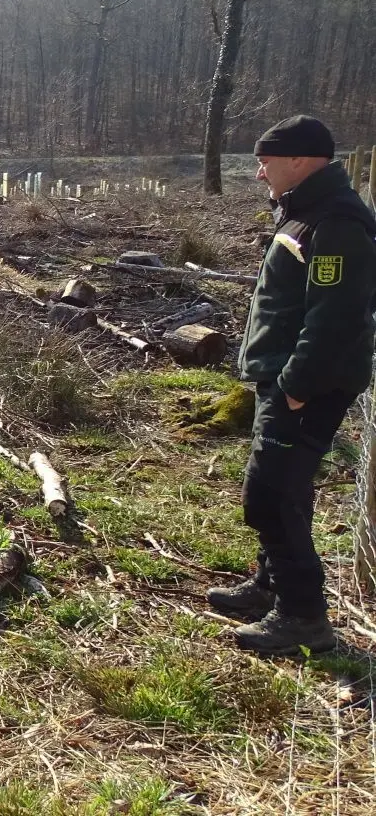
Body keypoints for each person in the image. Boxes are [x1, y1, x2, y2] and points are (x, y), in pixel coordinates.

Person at [208, 114, 376, 655]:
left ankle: (303, 616)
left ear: (301, 160)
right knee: (283, 487)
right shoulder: (303, 213)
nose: (260, 174)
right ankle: (270, 584)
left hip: (304, 385)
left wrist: (296, 385)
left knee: (271, 494)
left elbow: (336, 317)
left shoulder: (337, 224)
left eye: (265, 162)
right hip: (282, 378)